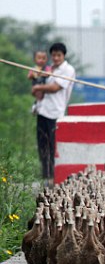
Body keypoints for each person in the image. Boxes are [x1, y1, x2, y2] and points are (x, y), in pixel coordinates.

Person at [31, 42, 74, 186]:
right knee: (42, 145)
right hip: (42, 110)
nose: (56, 58)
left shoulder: (68, 70)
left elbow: (55, 88)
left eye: (58, 55)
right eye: (53, 55)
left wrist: (38, 86)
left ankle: (56, 177)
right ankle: (47, 177)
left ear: (63, 56)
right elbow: (38, 83)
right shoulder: (48, 69)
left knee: (53, 146)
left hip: (56, 113)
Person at [27, 49, 50, 116]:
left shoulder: (47, 68)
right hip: (36, 87)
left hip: (44, 87)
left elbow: (49, 74)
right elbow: (29, 77)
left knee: (43, 98)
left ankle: (39, 107)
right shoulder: (33, 68)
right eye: (39, 58)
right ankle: (36, 106)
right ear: (35, 59)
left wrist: (41, 74)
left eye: (43, 58)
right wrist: (32, 74)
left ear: (46, 59)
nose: (41, 60)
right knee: (38, 96)